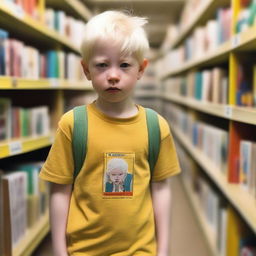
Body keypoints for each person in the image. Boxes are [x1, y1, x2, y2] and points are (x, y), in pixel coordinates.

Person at [39, 10, 181, 256]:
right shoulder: (73, 124)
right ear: (86, 70)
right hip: (83, 250)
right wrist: (60, 252)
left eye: (125, 65)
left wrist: (164, 249)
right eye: (102, 65)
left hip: (140, 250)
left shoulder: (155, 126)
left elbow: (161, 188)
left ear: (141, 69)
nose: (113, 75)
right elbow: (60, 192)